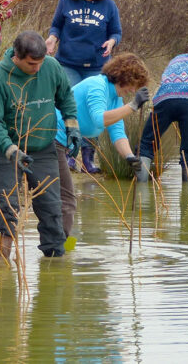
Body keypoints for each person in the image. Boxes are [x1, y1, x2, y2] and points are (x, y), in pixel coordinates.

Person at [0, 31, 78, 259]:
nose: (37, 69)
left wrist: (72, 126)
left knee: (52, 209)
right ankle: (2, 269)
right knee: (6, 208)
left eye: (40, 62)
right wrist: (11, 149)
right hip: (9, 150)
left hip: (44, 148)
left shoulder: (51, 67)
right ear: (17, 56)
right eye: (32, 64)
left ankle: (55, 267)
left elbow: (65, 97)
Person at [53, 53, 150, 238]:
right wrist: (133, 106)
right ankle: (60, 251)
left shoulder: (115, 98)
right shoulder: (97, 86)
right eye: (133, 85)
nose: (132, 90)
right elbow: (99, 119)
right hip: (53, 138)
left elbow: (117, 132)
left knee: (63, 199)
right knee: (67, 200)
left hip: (63, 144)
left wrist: (130, 157)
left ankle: (64, 249)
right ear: (124, 77)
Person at [45, 0, 122, 173]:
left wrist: (112, 42)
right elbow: (56, 26)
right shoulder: (65, 1)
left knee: (94, 110)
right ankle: (70, 153)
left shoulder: (108, 5)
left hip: (98, 67)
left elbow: (116, 32)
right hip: (69, 64)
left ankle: (88, 159)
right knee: (70, 106)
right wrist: (52, 39)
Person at [137, 47, 188, 184]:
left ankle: (141, 187)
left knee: (147, 142)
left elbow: (165, 79)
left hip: (164, 100)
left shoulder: (177, 59)